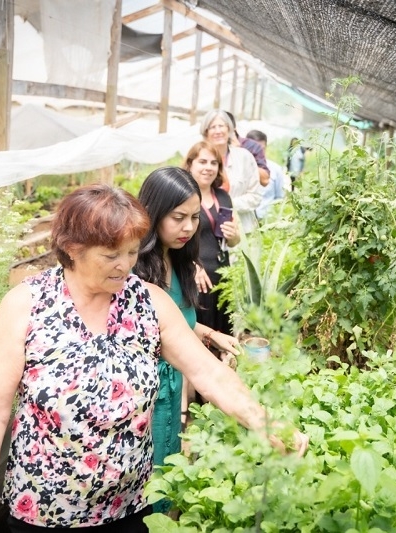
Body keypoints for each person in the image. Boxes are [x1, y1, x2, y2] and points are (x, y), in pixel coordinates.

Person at [0, 184, 307, 533]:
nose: (125, 266)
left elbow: (209, 374)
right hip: (43, 510)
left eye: (133, 252)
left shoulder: (148, 302)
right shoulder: (27, 305)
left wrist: (264, 422)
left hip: (129, 505)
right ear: (72, 248)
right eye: (111, 255)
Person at [133, 167, 240, 513]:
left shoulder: (178, 259)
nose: (189, 227)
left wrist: (211, 334)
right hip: (141, 398)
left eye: (195, 217)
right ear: (152, 213)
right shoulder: (133, 268)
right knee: (139, 481)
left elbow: (175, 324)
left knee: (164, 472)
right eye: (178, 217)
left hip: (172, 387)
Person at [183, 141, 241, 335]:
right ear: (190, 164)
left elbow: (232, 241)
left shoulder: (223, 196)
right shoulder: (182, 196)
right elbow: (171, 238)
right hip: (197, 275)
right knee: (200, 331)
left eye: (214, 163)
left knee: (223, 329)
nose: (208, 167)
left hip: (223, 273)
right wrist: (191, 264)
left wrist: (233, 235)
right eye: (203, 162)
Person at [200, 109, 262, 237]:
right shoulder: (198, 159)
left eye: (221, 126)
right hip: (206, 230)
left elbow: (255, 196)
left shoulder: (244, 157)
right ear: (206, 133)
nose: (218, 131)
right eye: (212, 127)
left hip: (242, 230)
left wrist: (225, 206)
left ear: (230, 129)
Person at [245, 129, 287, 220]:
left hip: (267, 222)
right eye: (253, 149)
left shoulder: (275, 169)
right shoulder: (238, 169)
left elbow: (279, 198)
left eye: (261, 149)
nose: (257, 153)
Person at [224, 110, 270, 187]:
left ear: (233, 129)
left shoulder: (252, 147)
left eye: (222, 126)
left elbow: (265, 180)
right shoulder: (207, 148)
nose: (218, 131)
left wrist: (240, 153)